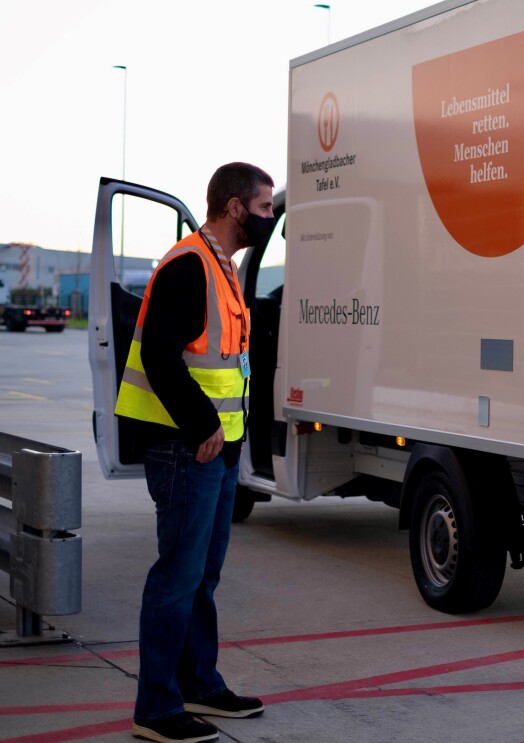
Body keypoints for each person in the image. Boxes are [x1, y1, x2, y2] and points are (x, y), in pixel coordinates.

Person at [116, 163, 276, 743]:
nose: (268, 219)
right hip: (188, 448)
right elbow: (160, 357)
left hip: (221, 448)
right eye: (263, 209)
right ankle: (155, 708)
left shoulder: (224, 269)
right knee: (176, 578)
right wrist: (202, 423)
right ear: (234, 208)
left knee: (201, 577)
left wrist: (229, 432)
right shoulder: (188, 266)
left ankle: (199, 684)